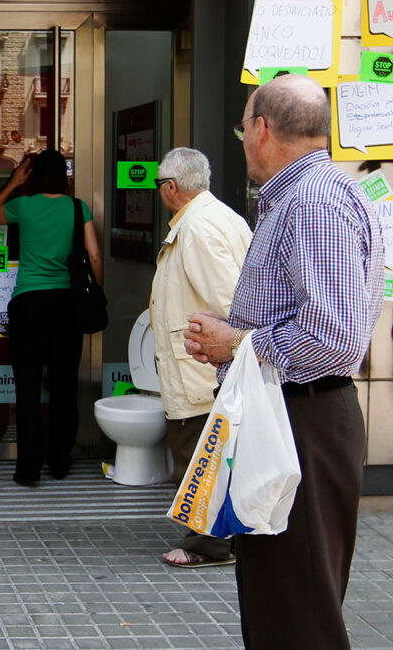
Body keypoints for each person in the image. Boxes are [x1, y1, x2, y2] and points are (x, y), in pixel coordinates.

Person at [184, 74, 384, 649]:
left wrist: (237, 344)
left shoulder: (313, 200)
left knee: (300, 611)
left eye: (242, 126)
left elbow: (334, 337)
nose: (243, 138)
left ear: (261, 130)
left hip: (302, 419)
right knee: (282, 599)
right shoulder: (302, 195)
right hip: (291, 415)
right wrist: (236, 336)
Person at [150, 148, 251, 568]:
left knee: (198, 456)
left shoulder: (198, 228)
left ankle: (208, 544)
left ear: (171, 188)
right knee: (210, 454)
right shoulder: (220, 216)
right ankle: (217, 537)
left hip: (200, 366)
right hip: (203, 363)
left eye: (158, 185)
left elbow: (228, 302)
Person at [0, 149, 102, 485]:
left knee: (28, 388)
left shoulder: (25, 205)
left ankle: (28, 469)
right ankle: (60, 461)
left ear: (33, 176)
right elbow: (93, 255)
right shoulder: (78, 208)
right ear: (63, 176)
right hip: (66, 305)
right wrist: (96, 295)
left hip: (28, 305)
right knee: (64, 386)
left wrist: (12, 184)